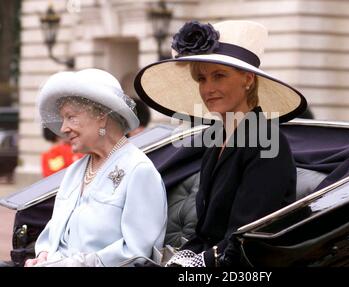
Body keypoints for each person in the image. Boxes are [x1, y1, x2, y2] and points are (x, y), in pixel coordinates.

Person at [134, 20, 307, 266]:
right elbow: (206, 233)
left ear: (247, 79)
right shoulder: (216, 141)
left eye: (219, 76)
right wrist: (183, 258)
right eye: (202, 79)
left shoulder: (267, 143)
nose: (208, 89)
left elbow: (246, 237)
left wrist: (197, 264)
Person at [25, 68, 167, 267]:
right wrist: (44, 255)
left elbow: (137, 252)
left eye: (70, 117)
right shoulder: (75, 170)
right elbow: (53, 232)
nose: (63, 128)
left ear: (101, 115)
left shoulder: (138, 169)